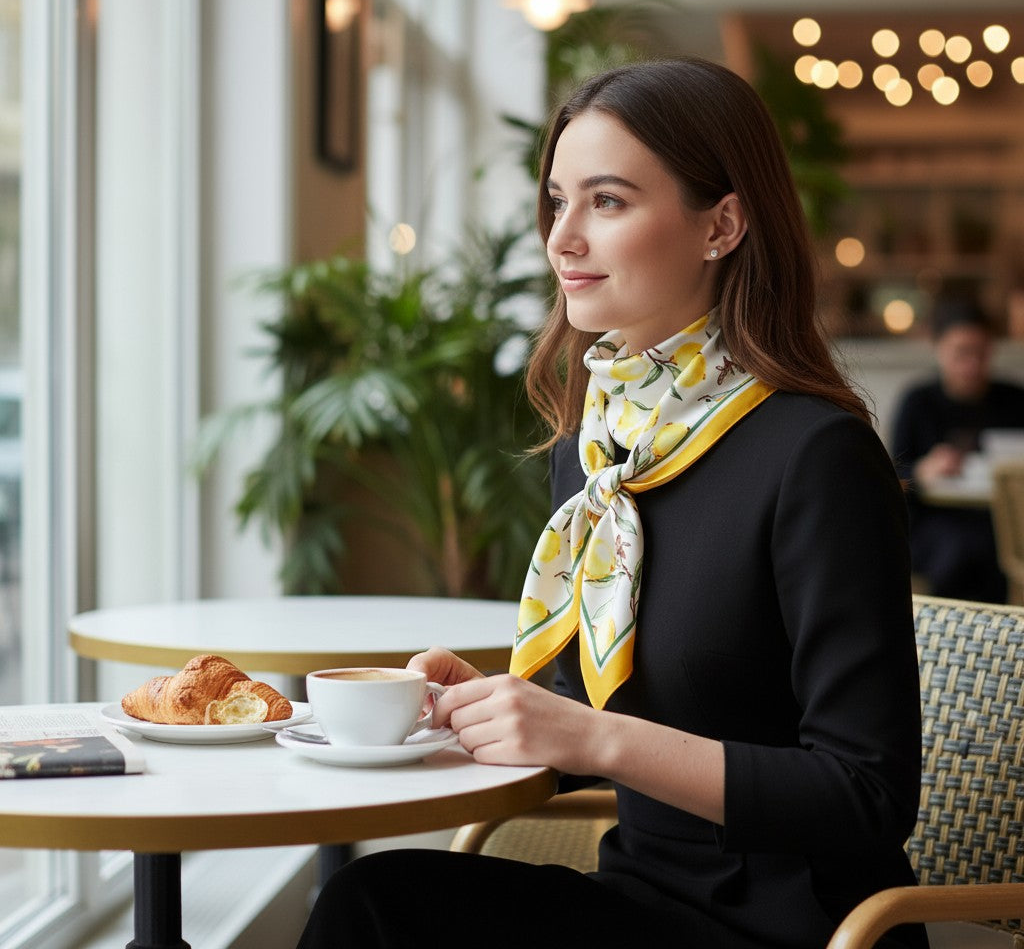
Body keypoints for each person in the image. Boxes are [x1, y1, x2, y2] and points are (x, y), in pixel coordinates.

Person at [297, 58, 925, 949]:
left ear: (723, 225)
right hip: (641, 897)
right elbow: (589, 715)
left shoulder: (816, 457)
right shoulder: (595, 452)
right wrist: (487, 711)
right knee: (372, 902)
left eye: (609, 201)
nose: (561, 239)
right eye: (557, 200)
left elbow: (867, 798)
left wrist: (592, 740)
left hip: (797, 925)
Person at [891, 300, 1024, 603]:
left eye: (982, 353)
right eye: (962, 353)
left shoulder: (1014, 400)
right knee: (965, 548)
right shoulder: (918, 402)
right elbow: (891, 477)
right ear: (938, 348)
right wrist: (922, 471)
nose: (973, 364)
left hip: (1001, 521)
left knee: (999, 546)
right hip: (936, 526)